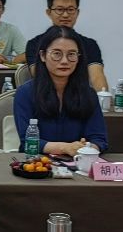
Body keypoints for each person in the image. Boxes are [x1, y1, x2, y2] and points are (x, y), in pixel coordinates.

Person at [13, 26, 108, 154]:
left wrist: (87, 149)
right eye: (57, 54)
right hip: (37, 162)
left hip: (78, 160)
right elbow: (27, 141)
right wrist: (65, 148)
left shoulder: (88, 94)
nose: (64, 61)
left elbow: (99, 139)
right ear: (43, 56)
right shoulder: (25, 93)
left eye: (71, 54)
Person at [25, 0, 109, 92]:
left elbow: (97, 78)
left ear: (77, 13)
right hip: (47, 96)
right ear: (49, 12)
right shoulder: (35, 44)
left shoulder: (89, 45)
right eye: (60, 10)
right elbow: (40, 76)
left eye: (70, 10)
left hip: (80, 97)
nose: (65, 15)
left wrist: (102, 98)